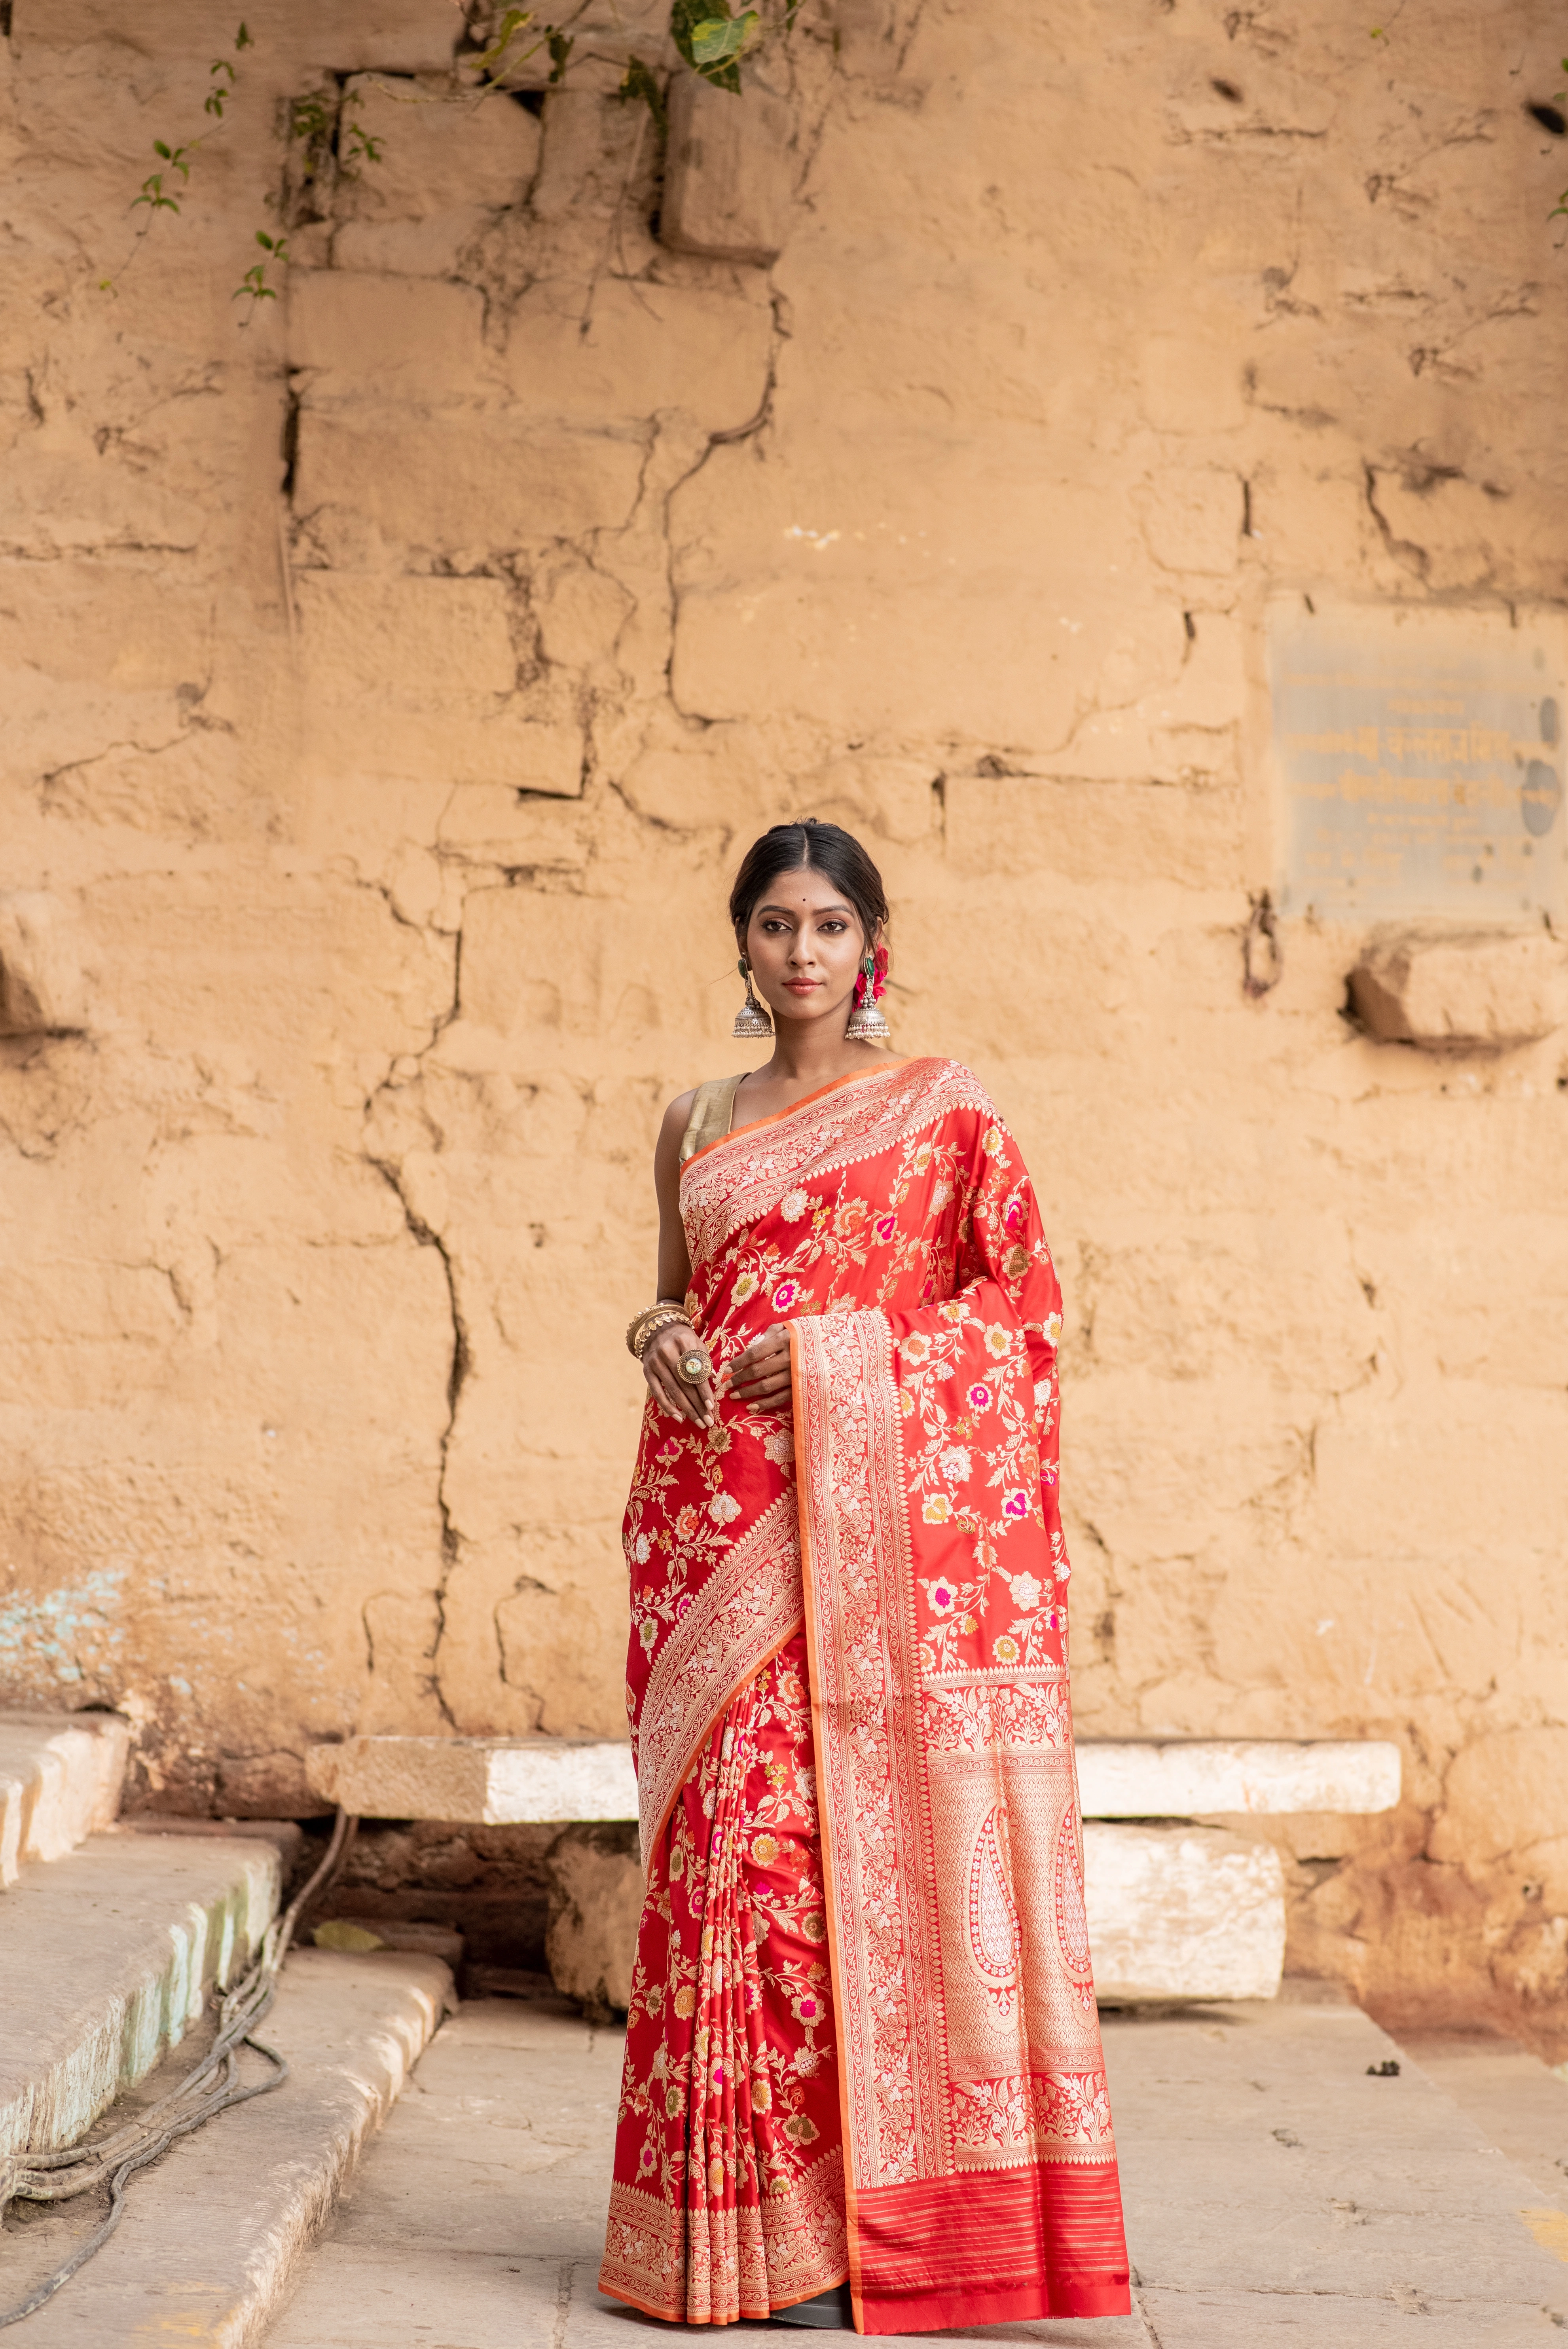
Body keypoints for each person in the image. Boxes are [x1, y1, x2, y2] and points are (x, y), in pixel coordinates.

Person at [599, 820, 1131, 2335]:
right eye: (777, 925)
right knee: (727, 1870)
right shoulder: (696, 1117)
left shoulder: (942, 1111)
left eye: (831, 925)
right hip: (711, 1524)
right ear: (744, 944)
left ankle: (858, 2242)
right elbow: (672, 1289)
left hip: (872, 1533)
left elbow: (1017, 1314)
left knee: (833, 1874)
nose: (803, 953)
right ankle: (738, 2240)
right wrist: (664, 1335)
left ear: (870, 944)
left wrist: (838, 1358)